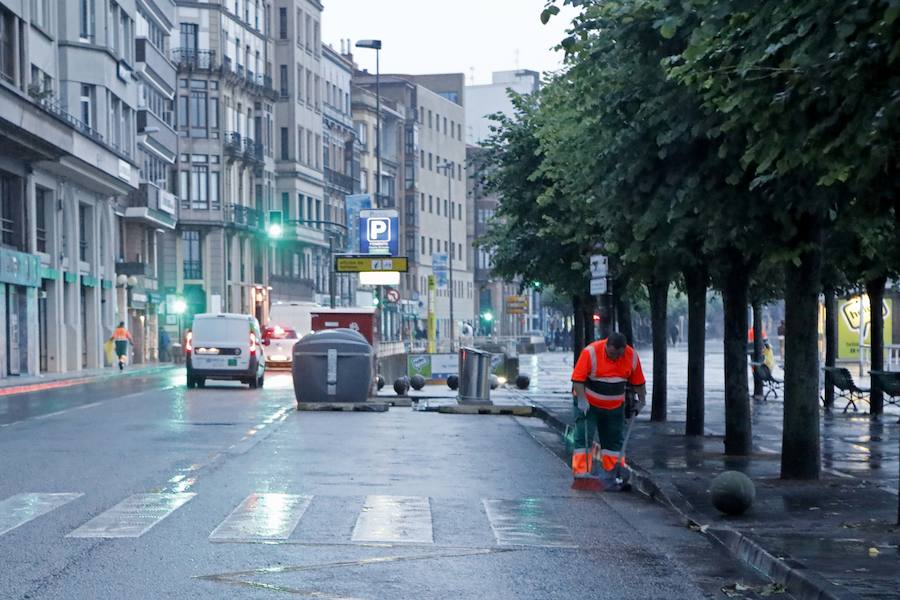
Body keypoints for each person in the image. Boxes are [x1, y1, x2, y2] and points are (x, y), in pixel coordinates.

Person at [570, 332, 647, 487]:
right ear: (607, 346)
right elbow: (578, 379)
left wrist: (642, 400)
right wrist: (582, 400)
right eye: (612, 354)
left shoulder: (631, 356)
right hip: (589, 406)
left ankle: (612, 473)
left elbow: (638, 382)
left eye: (619, 355)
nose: (615, 358)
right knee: (584, 437)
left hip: (614, 407)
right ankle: (581, 473)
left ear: (624, 350)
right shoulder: (591, 352)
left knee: (613, 442)